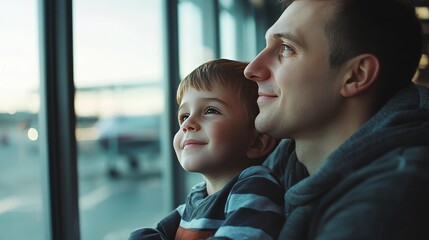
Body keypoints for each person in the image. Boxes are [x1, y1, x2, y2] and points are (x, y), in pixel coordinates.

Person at [244, 0, 429, 239]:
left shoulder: (390, 200)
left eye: (286, 48)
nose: (252, 68)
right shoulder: (276, 167)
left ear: (356, 76)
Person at [129, 59, 284, 240]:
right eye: (184, 116)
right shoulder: (197, 198)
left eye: (210, 110)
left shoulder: (256, 186)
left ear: (256, 143)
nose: (187, 124)